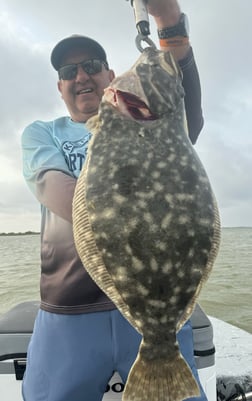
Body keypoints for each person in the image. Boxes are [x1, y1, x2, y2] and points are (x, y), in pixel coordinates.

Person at [21, 1, 205, 400]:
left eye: (91, 65)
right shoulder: (42, 134)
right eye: (69, 72)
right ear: (60, 86)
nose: (81, 76)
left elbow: (180, 93)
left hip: (156, 314)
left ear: (110, 75)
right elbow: (58, 193)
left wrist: (168, 21)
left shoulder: (157, 118)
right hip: (70, 311)